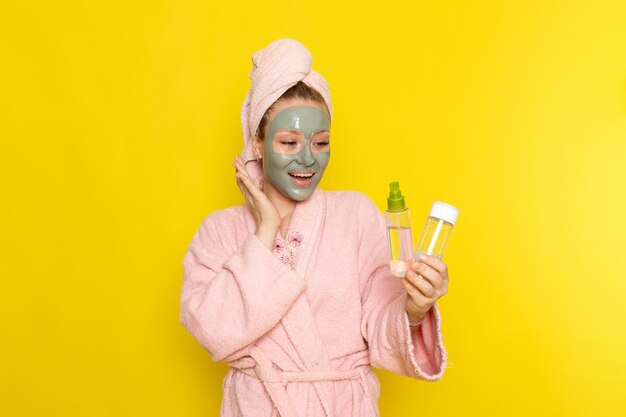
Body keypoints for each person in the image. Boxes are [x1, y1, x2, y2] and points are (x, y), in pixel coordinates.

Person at [179, 38, 449, 417]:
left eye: (321, 142)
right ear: (257, 144)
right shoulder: (219, 231)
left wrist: (415, 309)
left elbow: (379, 327)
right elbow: (212, 331)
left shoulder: (356, 215)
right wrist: (265, 231)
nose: (307, 157)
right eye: (289, 142)